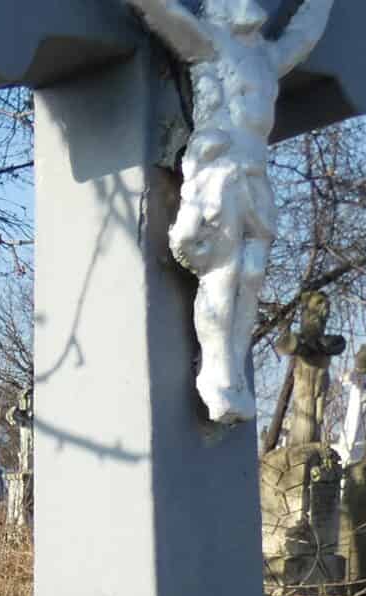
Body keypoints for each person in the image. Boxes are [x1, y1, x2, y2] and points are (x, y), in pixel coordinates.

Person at [121, 0, 330, 426]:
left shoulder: (268, 57)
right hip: (219, 173)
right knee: (224, 273)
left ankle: (235, 371)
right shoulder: (210, 44)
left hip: (255, 173)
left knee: (252, 274)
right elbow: (163, 13)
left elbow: (305, 34)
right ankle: (216, 373)